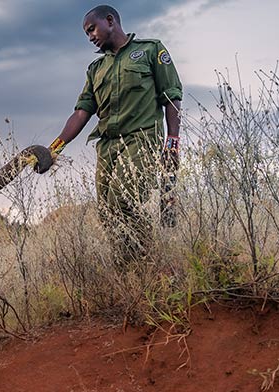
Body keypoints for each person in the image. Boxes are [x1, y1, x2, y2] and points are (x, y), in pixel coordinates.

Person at [47, 4, 183, 266]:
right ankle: (127, 268)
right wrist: (54, 148)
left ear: (110, 20)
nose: (90, 37)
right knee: (107, 212)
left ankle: (150, 261)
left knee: (124, 199)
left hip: (141, 139)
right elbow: (81, 113)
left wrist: (172, 142)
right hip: (108, 147)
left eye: (92, 29)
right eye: (86, 33)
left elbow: (171, 97)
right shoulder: (96, 69)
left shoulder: (150, 50)